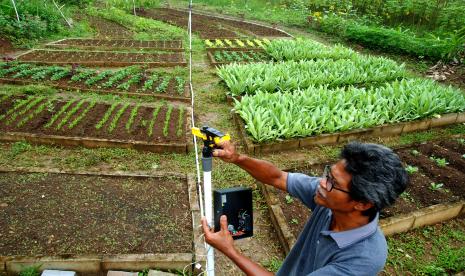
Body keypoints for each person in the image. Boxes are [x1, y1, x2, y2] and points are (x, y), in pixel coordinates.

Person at [201, 140, 408, 275]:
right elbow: (278, 177)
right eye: (328, 173)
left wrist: (231, 251)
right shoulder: (329, 199)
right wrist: (238, 158)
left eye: (332, 182)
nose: (322, 182)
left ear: (362, 203)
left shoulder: (362, 259)